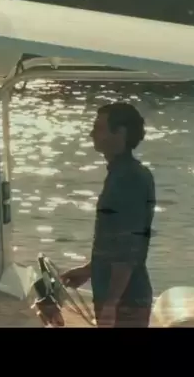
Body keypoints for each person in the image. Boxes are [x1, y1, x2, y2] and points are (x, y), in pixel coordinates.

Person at [60, 102, 156, 328]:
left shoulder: (129, 178)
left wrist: (112, 303)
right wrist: (89, 270)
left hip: (126, 300)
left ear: (120, 133)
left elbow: (128, 248)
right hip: (120, 296)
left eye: (99, 128)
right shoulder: (120, 173)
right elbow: (114, 241)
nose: (91, 134)